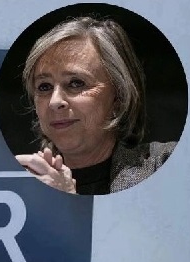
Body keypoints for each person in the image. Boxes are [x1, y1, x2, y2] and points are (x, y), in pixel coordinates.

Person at [15, 16, 175, 195]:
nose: (55, 102)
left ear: (119, 97)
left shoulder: (169, 163)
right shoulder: (16, 183)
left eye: (76, 83)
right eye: (44, 87)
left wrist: (65, 202)